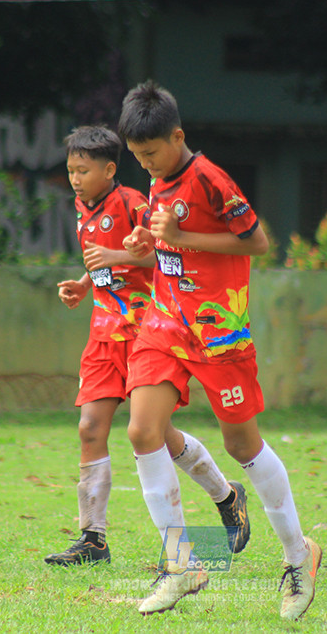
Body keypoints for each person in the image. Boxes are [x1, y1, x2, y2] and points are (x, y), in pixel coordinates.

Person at [118, 82, 322, 620]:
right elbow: (168, 236)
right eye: (137, 158)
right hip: (165, 323)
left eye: (152, 153)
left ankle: (300, 556)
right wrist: (149, 240)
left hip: (220, 332)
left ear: (178, 136)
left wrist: (182, 238)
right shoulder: (158, 180)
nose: (147, 166)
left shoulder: (210, 178)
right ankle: (182, 564)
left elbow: (256, 241)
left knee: (242, 445)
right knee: (142, 430)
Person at [46, 125, 250, 567]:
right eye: (70, 171)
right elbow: (100, 258)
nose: (75, 179)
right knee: (90, 428)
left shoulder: (135, 203)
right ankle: (92, 539)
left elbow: (164, 252)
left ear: (109, 169)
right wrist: (84, 286)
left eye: (83, 171)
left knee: (154, 433)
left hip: (145, 332)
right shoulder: (83, 208)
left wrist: (119, 258)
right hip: (103, 332)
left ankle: (226, 495)